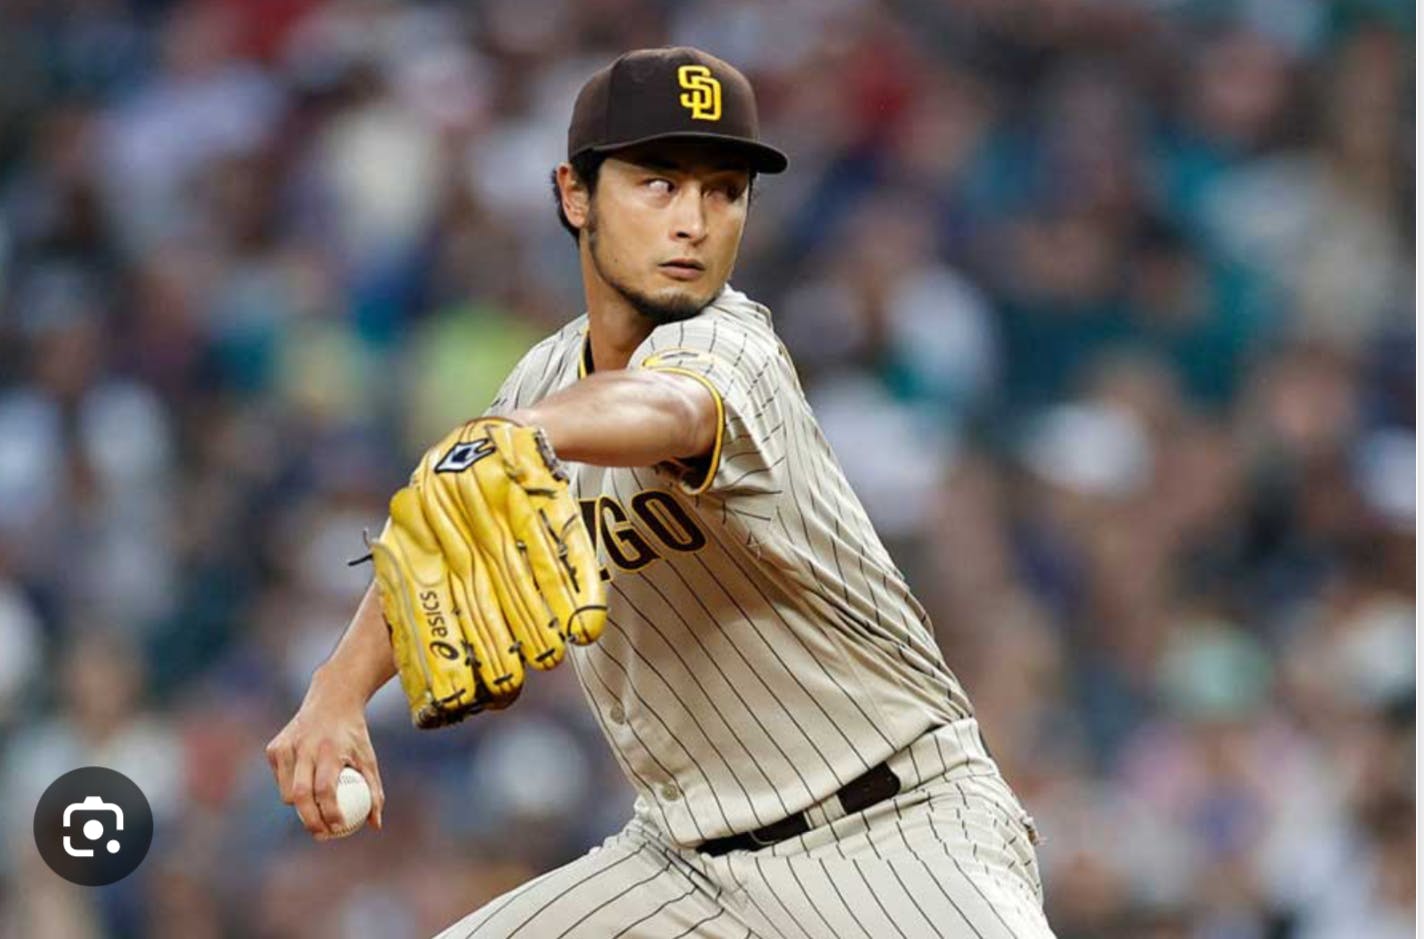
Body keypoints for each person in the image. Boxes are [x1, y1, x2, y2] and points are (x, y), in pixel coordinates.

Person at [266, 46, 1055, 938]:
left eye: (724, 191)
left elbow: (670, 406)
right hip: (682, 861)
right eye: (658, 184)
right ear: (575, 195)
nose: (694, 221)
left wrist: (521, 435)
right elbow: (439, 540)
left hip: (890, 832)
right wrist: (337, 690)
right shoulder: (541, 380)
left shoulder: (732, 346)